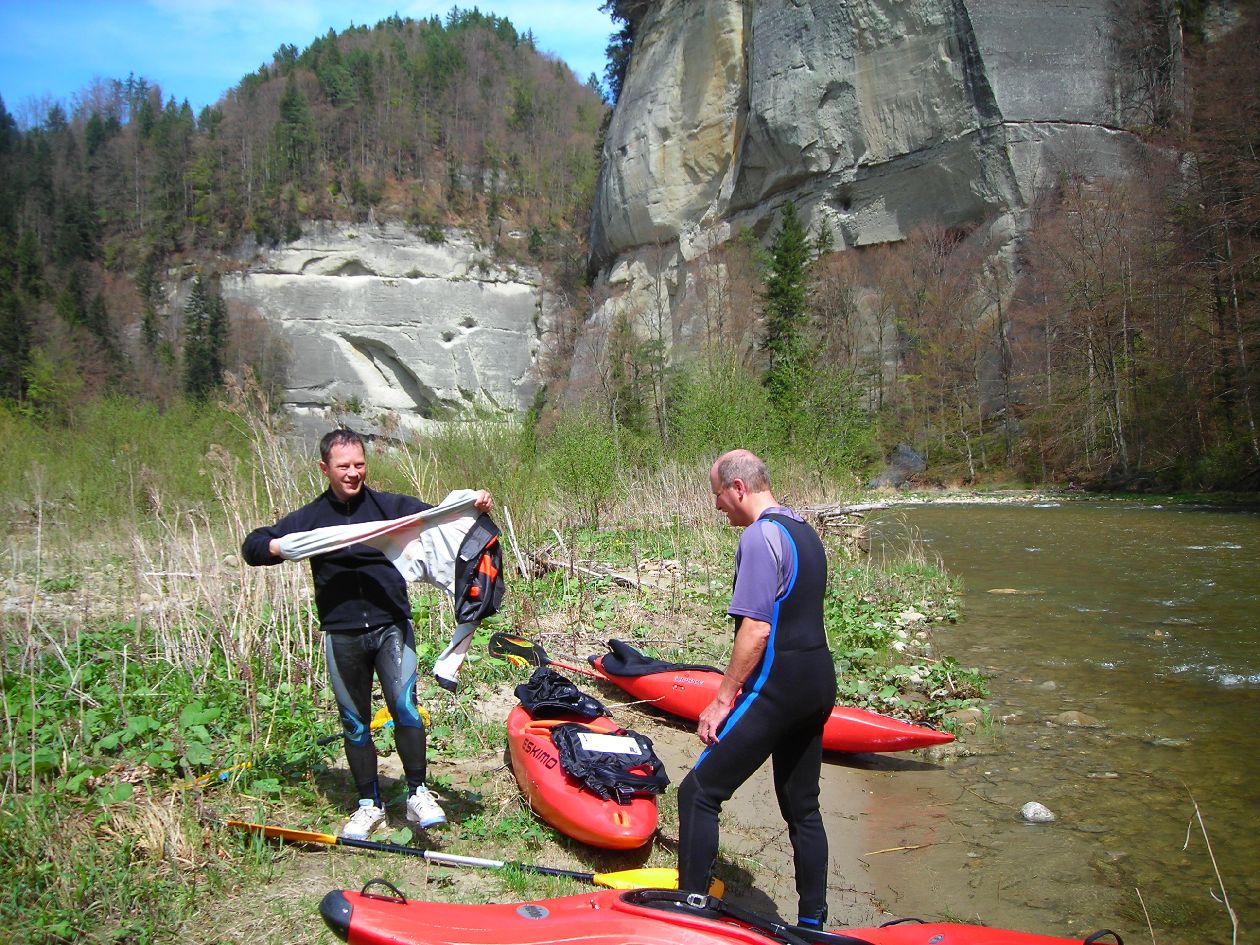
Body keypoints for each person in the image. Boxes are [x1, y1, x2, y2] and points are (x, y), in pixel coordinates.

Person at [241, 428, 492, 841]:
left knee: (406, 709)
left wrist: (475, 502)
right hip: (342, 634)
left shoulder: (390, 508)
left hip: (392, 626)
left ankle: (417, 793)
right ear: (324, 468)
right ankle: (368, 804)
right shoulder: (310, 520)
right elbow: (253, 545)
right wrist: (279, 548)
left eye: (359, 464)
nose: (353, 473)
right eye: (343, 466)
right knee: (354, 722)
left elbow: (445, 516)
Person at [677, 449, 836, 928]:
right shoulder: (804, 531)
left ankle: (690, 914)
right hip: (817, 683)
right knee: (803, 807)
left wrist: (721, 701)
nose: (717, 505)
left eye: (718, 495)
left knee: (699, 792)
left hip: (777, 688)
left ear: (738, 487)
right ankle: (812, 924)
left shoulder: (759, 536)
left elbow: (757, 629)